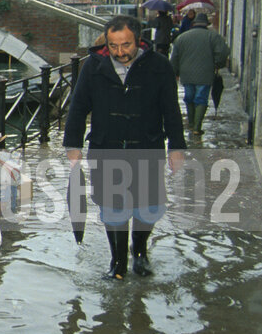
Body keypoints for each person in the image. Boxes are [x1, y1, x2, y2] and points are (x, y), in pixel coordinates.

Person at [64, 15, 186, 280]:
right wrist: (72, 145)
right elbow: (78, 107)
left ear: (138, 40)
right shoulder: (93, 67)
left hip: (148, 145)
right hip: (106, 146)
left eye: (126, 45)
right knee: (112, 206)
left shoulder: (159, 66)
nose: (120, 52)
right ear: (107, 43)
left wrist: (177, 147)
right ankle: (118, 261)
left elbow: (171, 110)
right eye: (114, 46)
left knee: (149, 207)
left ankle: (139, 252)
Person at [170, 12, 229, 136]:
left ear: (193, 24)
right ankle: (197, 127)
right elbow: (223, 53)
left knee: (189, 97)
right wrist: (218, 64)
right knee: (201, 98)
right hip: (206, 73)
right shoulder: (213, 37)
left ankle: (191, 124)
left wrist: (174, 72)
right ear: (206, 24)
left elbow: (174, 57)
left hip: (186, 74)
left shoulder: (182, 38)